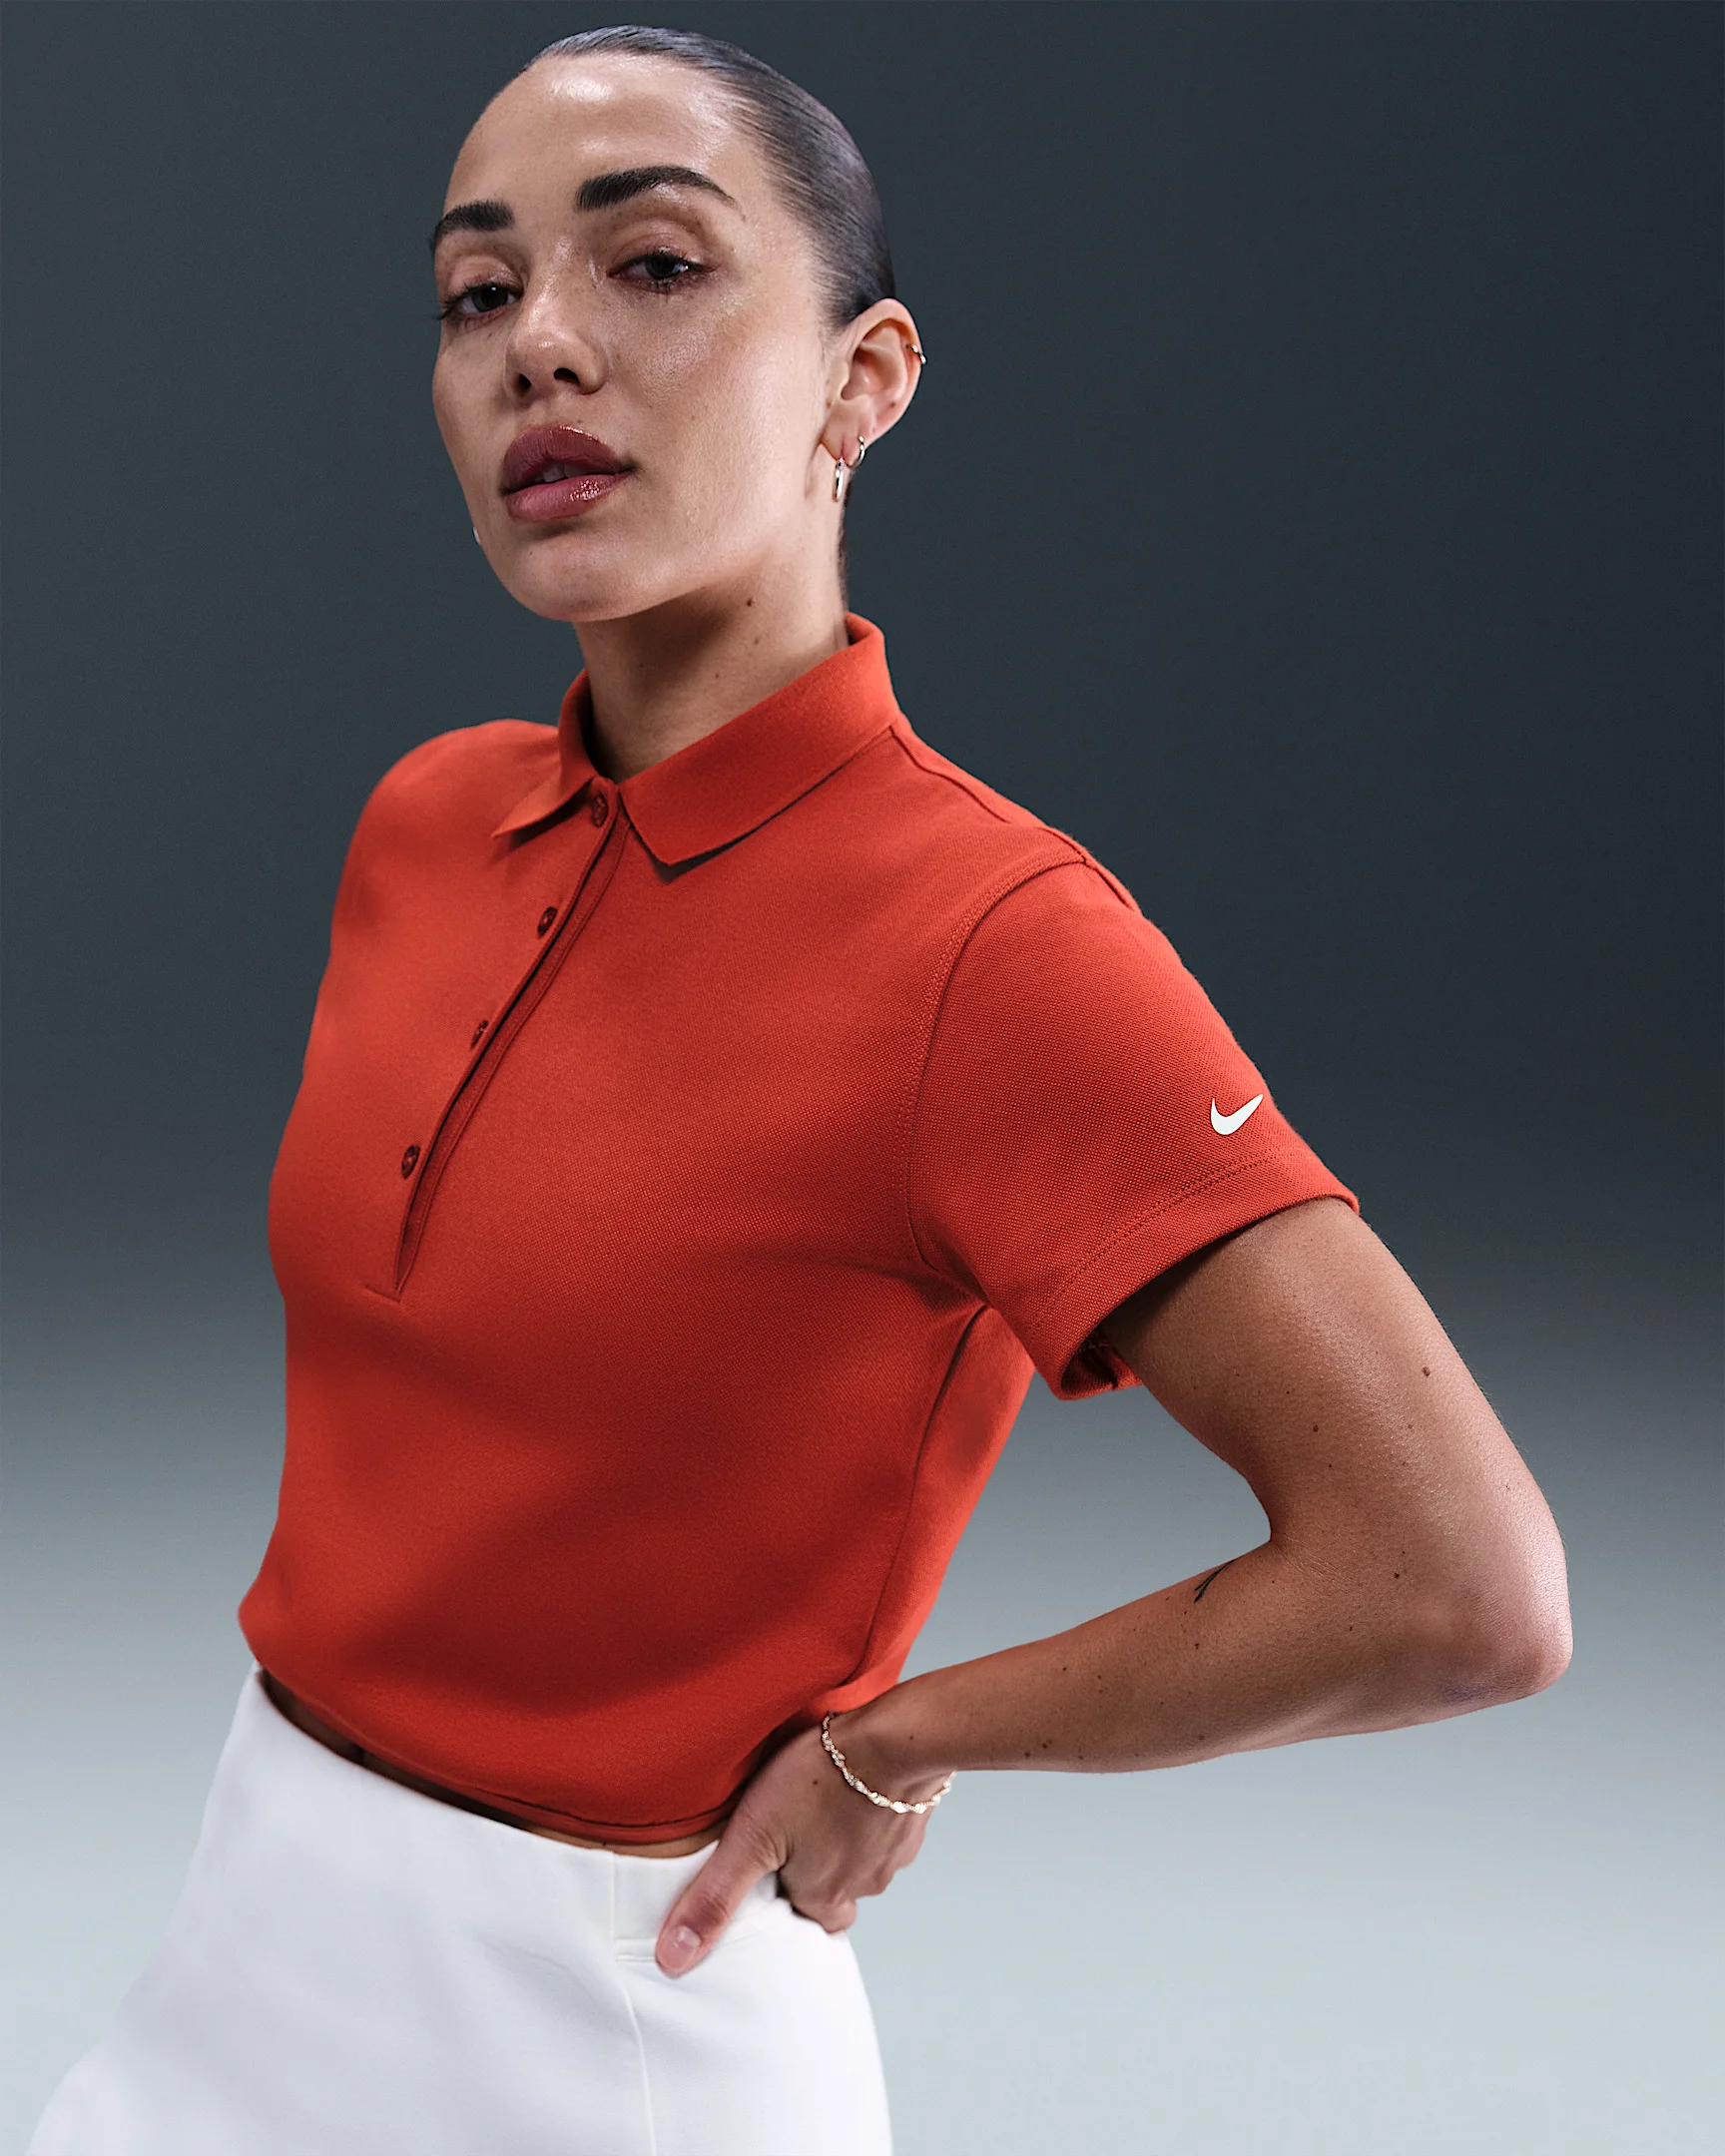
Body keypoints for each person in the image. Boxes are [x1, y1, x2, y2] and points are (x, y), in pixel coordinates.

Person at [28, 24, 1571, 2156]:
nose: (539, 345)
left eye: (653, 264)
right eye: (477, 293)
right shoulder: (426, 821)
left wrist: (903, 1737)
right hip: (244, 1926)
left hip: (611, 2024)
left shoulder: (995, 947)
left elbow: (1458, 1583)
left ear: (867, 379)